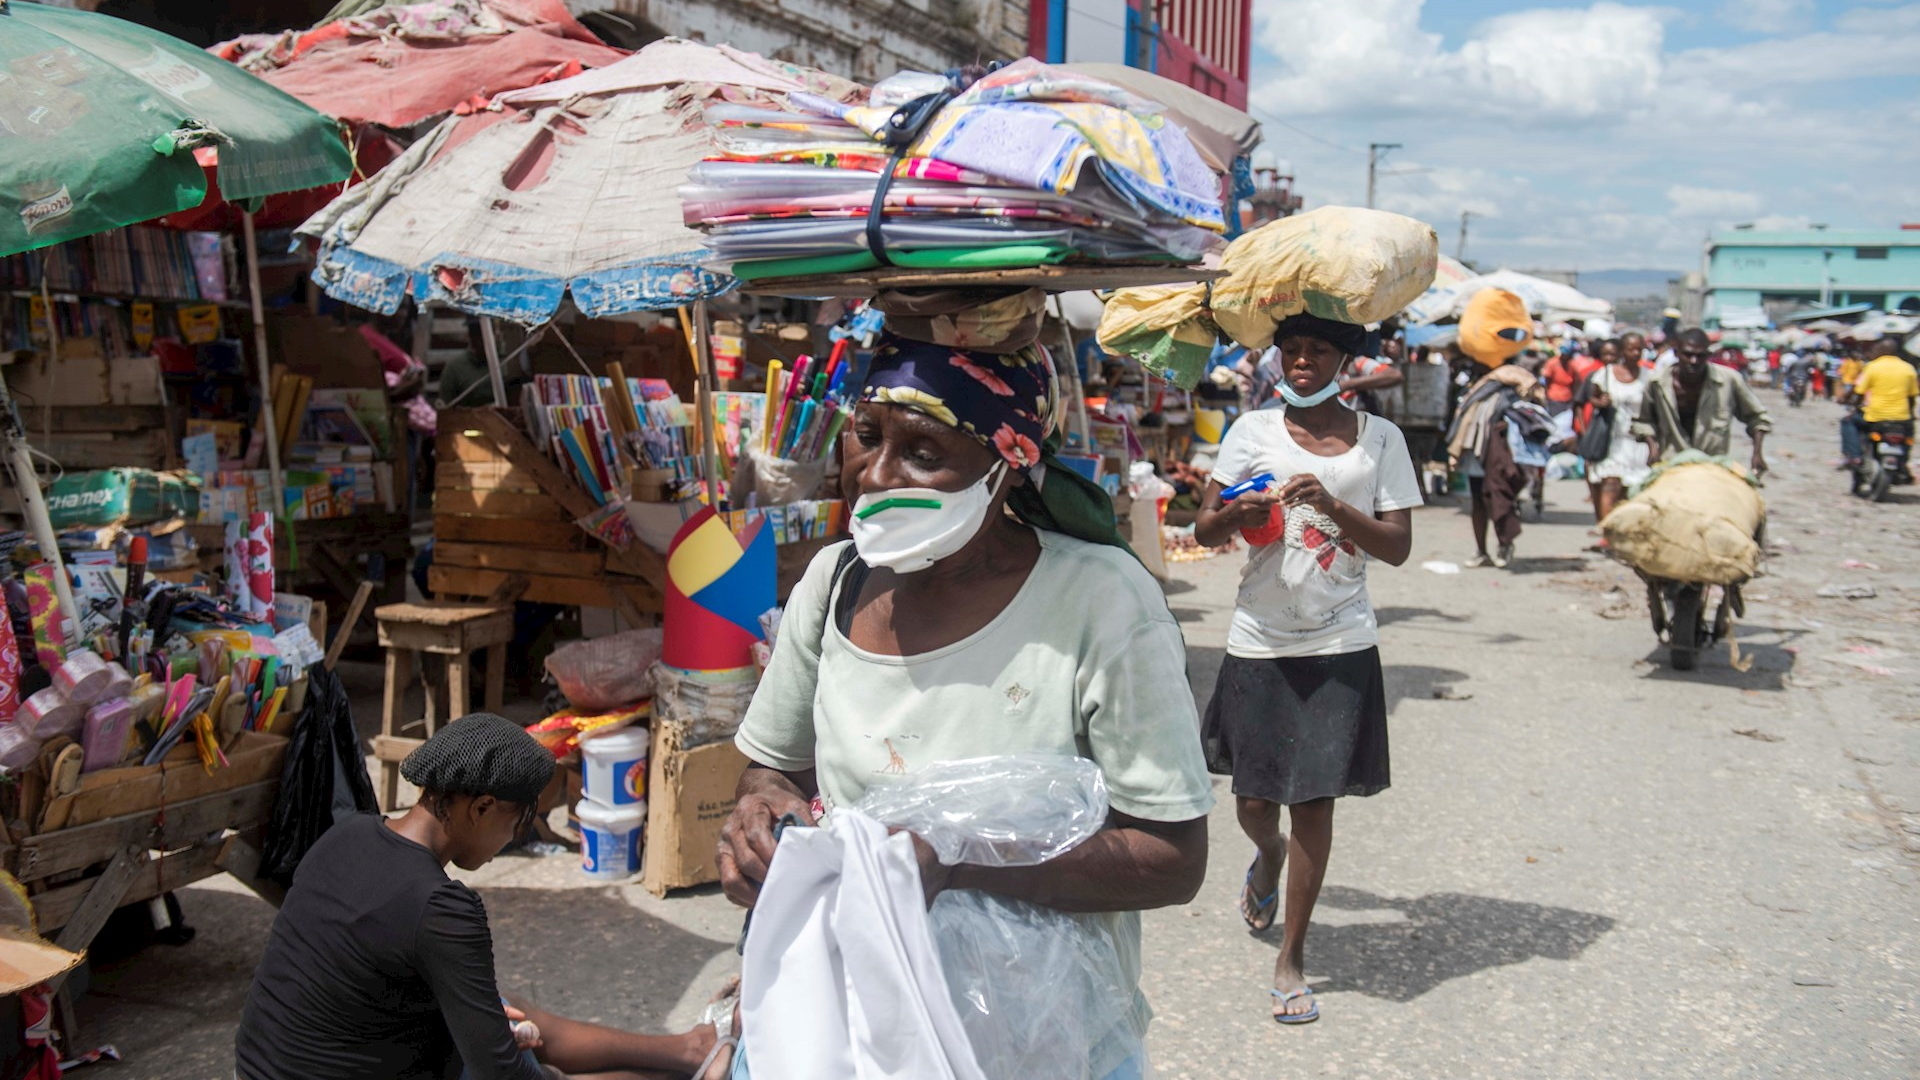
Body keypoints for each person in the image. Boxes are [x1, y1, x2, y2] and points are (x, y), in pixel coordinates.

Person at [718, 315, 1214, 1075]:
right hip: (846, 1021)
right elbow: (774, 765)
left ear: (1008, 463)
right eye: (866, 436)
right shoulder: (834, 581)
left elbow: (1171, 858)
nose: (875, 476)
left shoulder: (1103, 600)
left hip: (1039, 1037)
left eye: (923, 453)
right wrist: (760, 813)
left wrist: (959, 859)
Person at [236, 714, 732, 1080]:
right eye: (516, 824)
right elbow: (501, 1074)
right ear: (482, 807)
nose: (510, 841)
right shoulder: (441, 909)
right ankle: (692, 1067)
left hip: (262, 1067)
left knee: (506, 1011)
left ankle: (689, 1051)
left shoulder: (348, 834)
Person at [1189, 314, 1420, 1025]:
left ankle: (1291, 958)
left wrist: (1333, 505)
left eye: (1318, 350)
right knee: (1256, 803)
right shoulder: (1251, 430)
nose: (1301, 360)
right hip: (1260, 635)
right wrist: (1240, 511)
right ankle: (1268, 856)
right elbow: (1203, 526)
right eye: (1291, 349)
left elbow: (1398, 547)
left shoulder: (1381, 438)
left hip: (1341, 639)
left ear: (1345, 360)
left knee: (1315, 798)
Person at [1632, 328, 1771, 476]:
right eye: (1688, 355)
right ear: (1676, 353)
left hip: (1713, 463)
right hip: (1672, 462)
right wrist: (1652, 447)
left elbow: (1757, 418)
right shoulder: (1657, 383)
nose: (1694, 361)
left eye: (1700, 356)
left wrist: (1757, 453)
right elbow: (1644, 422)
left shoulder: (1729, 380)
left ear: (1708, 355)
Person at [1578, 338, 1652, 529]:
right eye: (1631, 349)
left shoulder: (1649, 376)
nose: (1635, 353)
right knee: (1610, 483)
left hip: (1637, 441)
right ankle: (1606, 531)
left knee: (1630, 490)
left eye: (1639, 349)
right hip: (1612, 439)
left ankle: (1626, 530)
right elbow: (1590, 397)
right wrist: (1600, 402)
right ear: (1622, 351)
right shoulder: (1606, 374)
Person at [1842, 352, 1919, 465]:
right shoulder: (1908, 368)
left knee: (1848, 421)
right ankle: (1904, 460)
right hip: (1901, 418)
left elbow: (1860, 392)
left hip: (1876, 418)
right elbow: (1912, 397)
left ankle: (1854, 456)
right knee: (1909, 435)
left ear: (1880, 351)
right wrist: (1910, 414)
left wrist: (1854, 408)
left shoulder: (1873, 366)